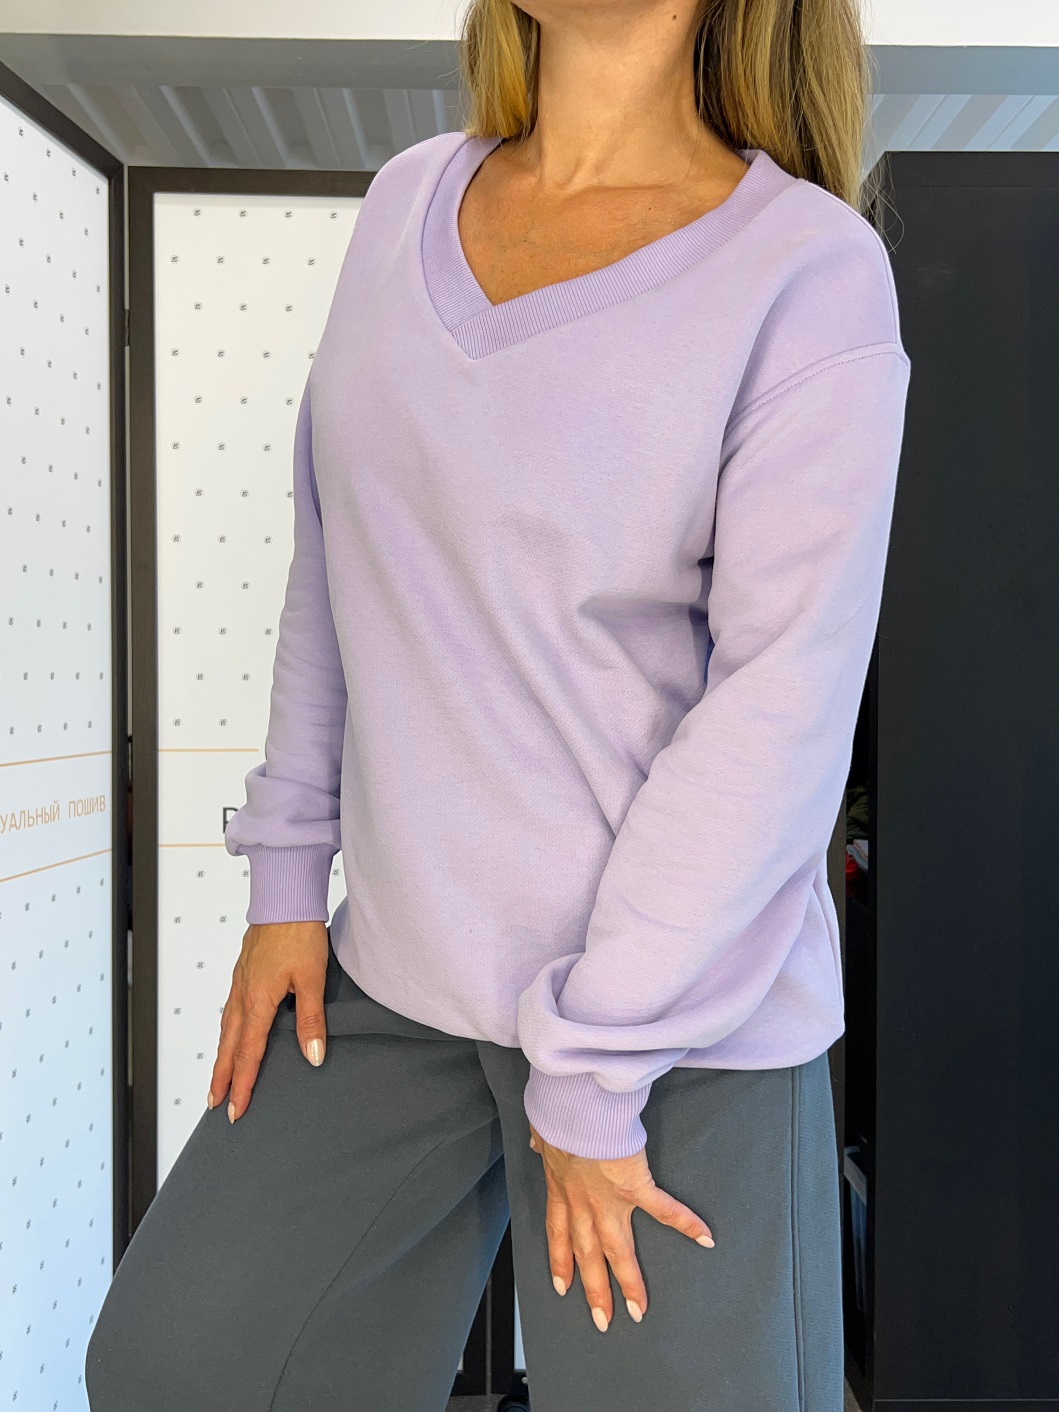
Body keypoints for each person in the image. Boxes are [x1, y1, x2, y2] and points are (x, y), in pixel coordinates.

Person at [85, 0, 910, 1406]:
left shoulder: (810, 271)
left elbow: (777, 713)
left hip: (678, 1023)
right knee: (180, 1368)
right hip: (398, 980)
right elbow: (336, 554)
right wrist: (287, 881)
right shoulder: (407, 201)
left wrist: (593, 1070)